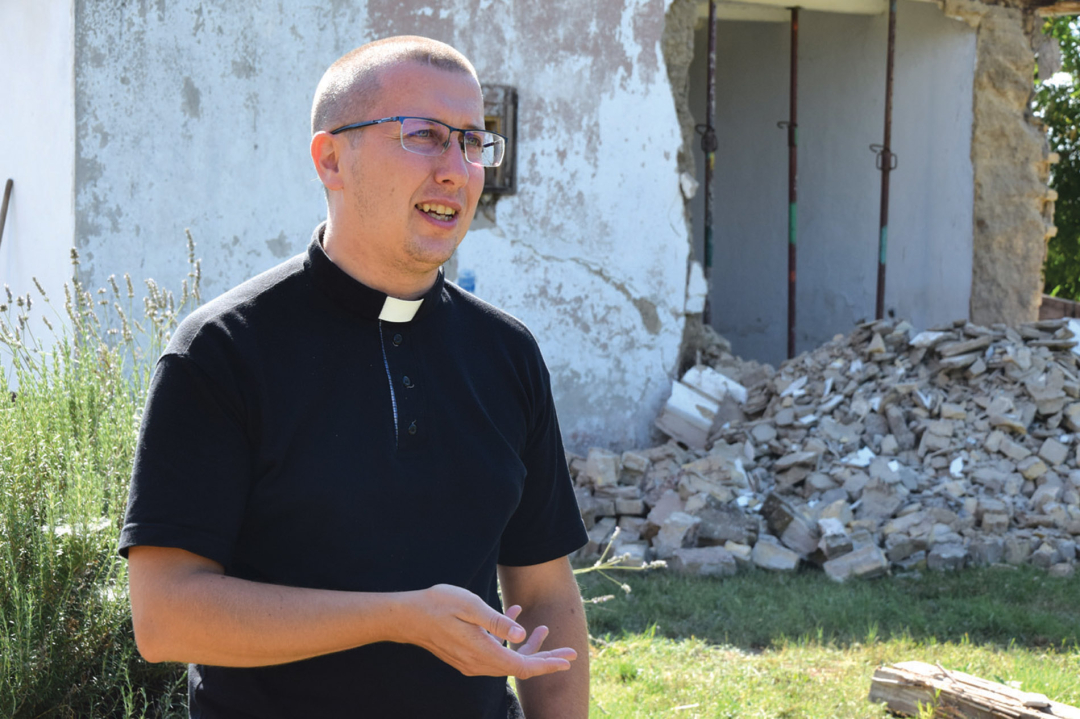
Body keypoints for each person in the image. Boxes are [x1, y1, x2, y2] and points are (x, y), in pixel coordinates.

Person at [119, 35, 589, 718]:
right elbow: (166, 617)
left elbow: (545, 592)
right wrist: (399, 618)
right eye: (425, 136)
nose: (457, 170)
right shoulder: (221, 352)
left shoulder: (506, 352)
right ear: (330, 159)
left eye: (472, 141)